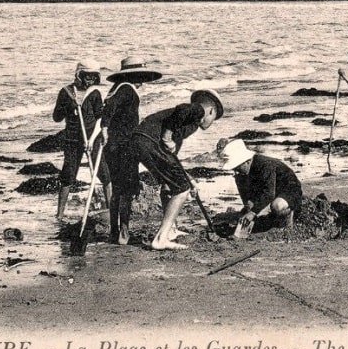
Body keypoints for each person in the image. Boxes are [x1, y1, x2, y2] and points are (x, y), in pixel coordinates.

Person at [130, 89, 224, 250]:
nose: (211, 122)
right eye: (214, 118)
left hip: (140, 141)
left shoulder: (183, 123)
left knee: (170, 184)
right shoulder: (198, 111)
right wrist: (167, 136)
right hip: (149, 141)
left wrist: (190, 179)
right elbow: (183, 108)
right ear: (211, 110)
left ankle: (170, 230)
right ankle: (161, 239)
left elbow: (172, 163)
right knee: (182, 189)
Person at [101, 56, 163, 245]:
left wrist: (105, 130)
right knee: (126, 189)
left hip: (112, 147)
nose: (143, 81)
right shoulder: (127, 89)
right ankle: (124, 230)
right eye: (141, 76)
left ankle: (114, 230)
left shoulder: (116, 89)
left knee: (117, 188)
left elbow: (109, 109)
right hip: (124, 146)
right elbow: (110, 109)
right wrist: (104, 128)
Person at [51, 60, 109, 219]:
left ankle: (111, 210)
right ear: (79, 75)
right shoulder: (66, 92)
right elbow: (56, 117)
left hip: (93, 138)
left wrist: (91, 141)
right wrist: (69, 106)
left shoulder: (95, 93)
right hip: (72, 140)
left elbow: (100, 119)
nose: (90, 80)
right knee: (68, 175)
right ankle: (60, 214)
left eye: (93, 77)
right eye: (87, 76)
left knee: (104, 173)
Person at [220, 139, 303, 237]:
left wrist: (253, 213)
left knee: (277, 206)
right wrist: (248, 209)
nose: (236, 170)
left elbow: (269, 193)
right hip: (271, 189)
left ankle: (288, 216)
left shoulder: (265, 165)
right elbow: (247, 197)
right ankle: (270, 219)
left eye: (237, 167)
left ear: (247, 161)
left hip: (289, 189)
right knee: (250, 208)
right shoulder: (241, 173)